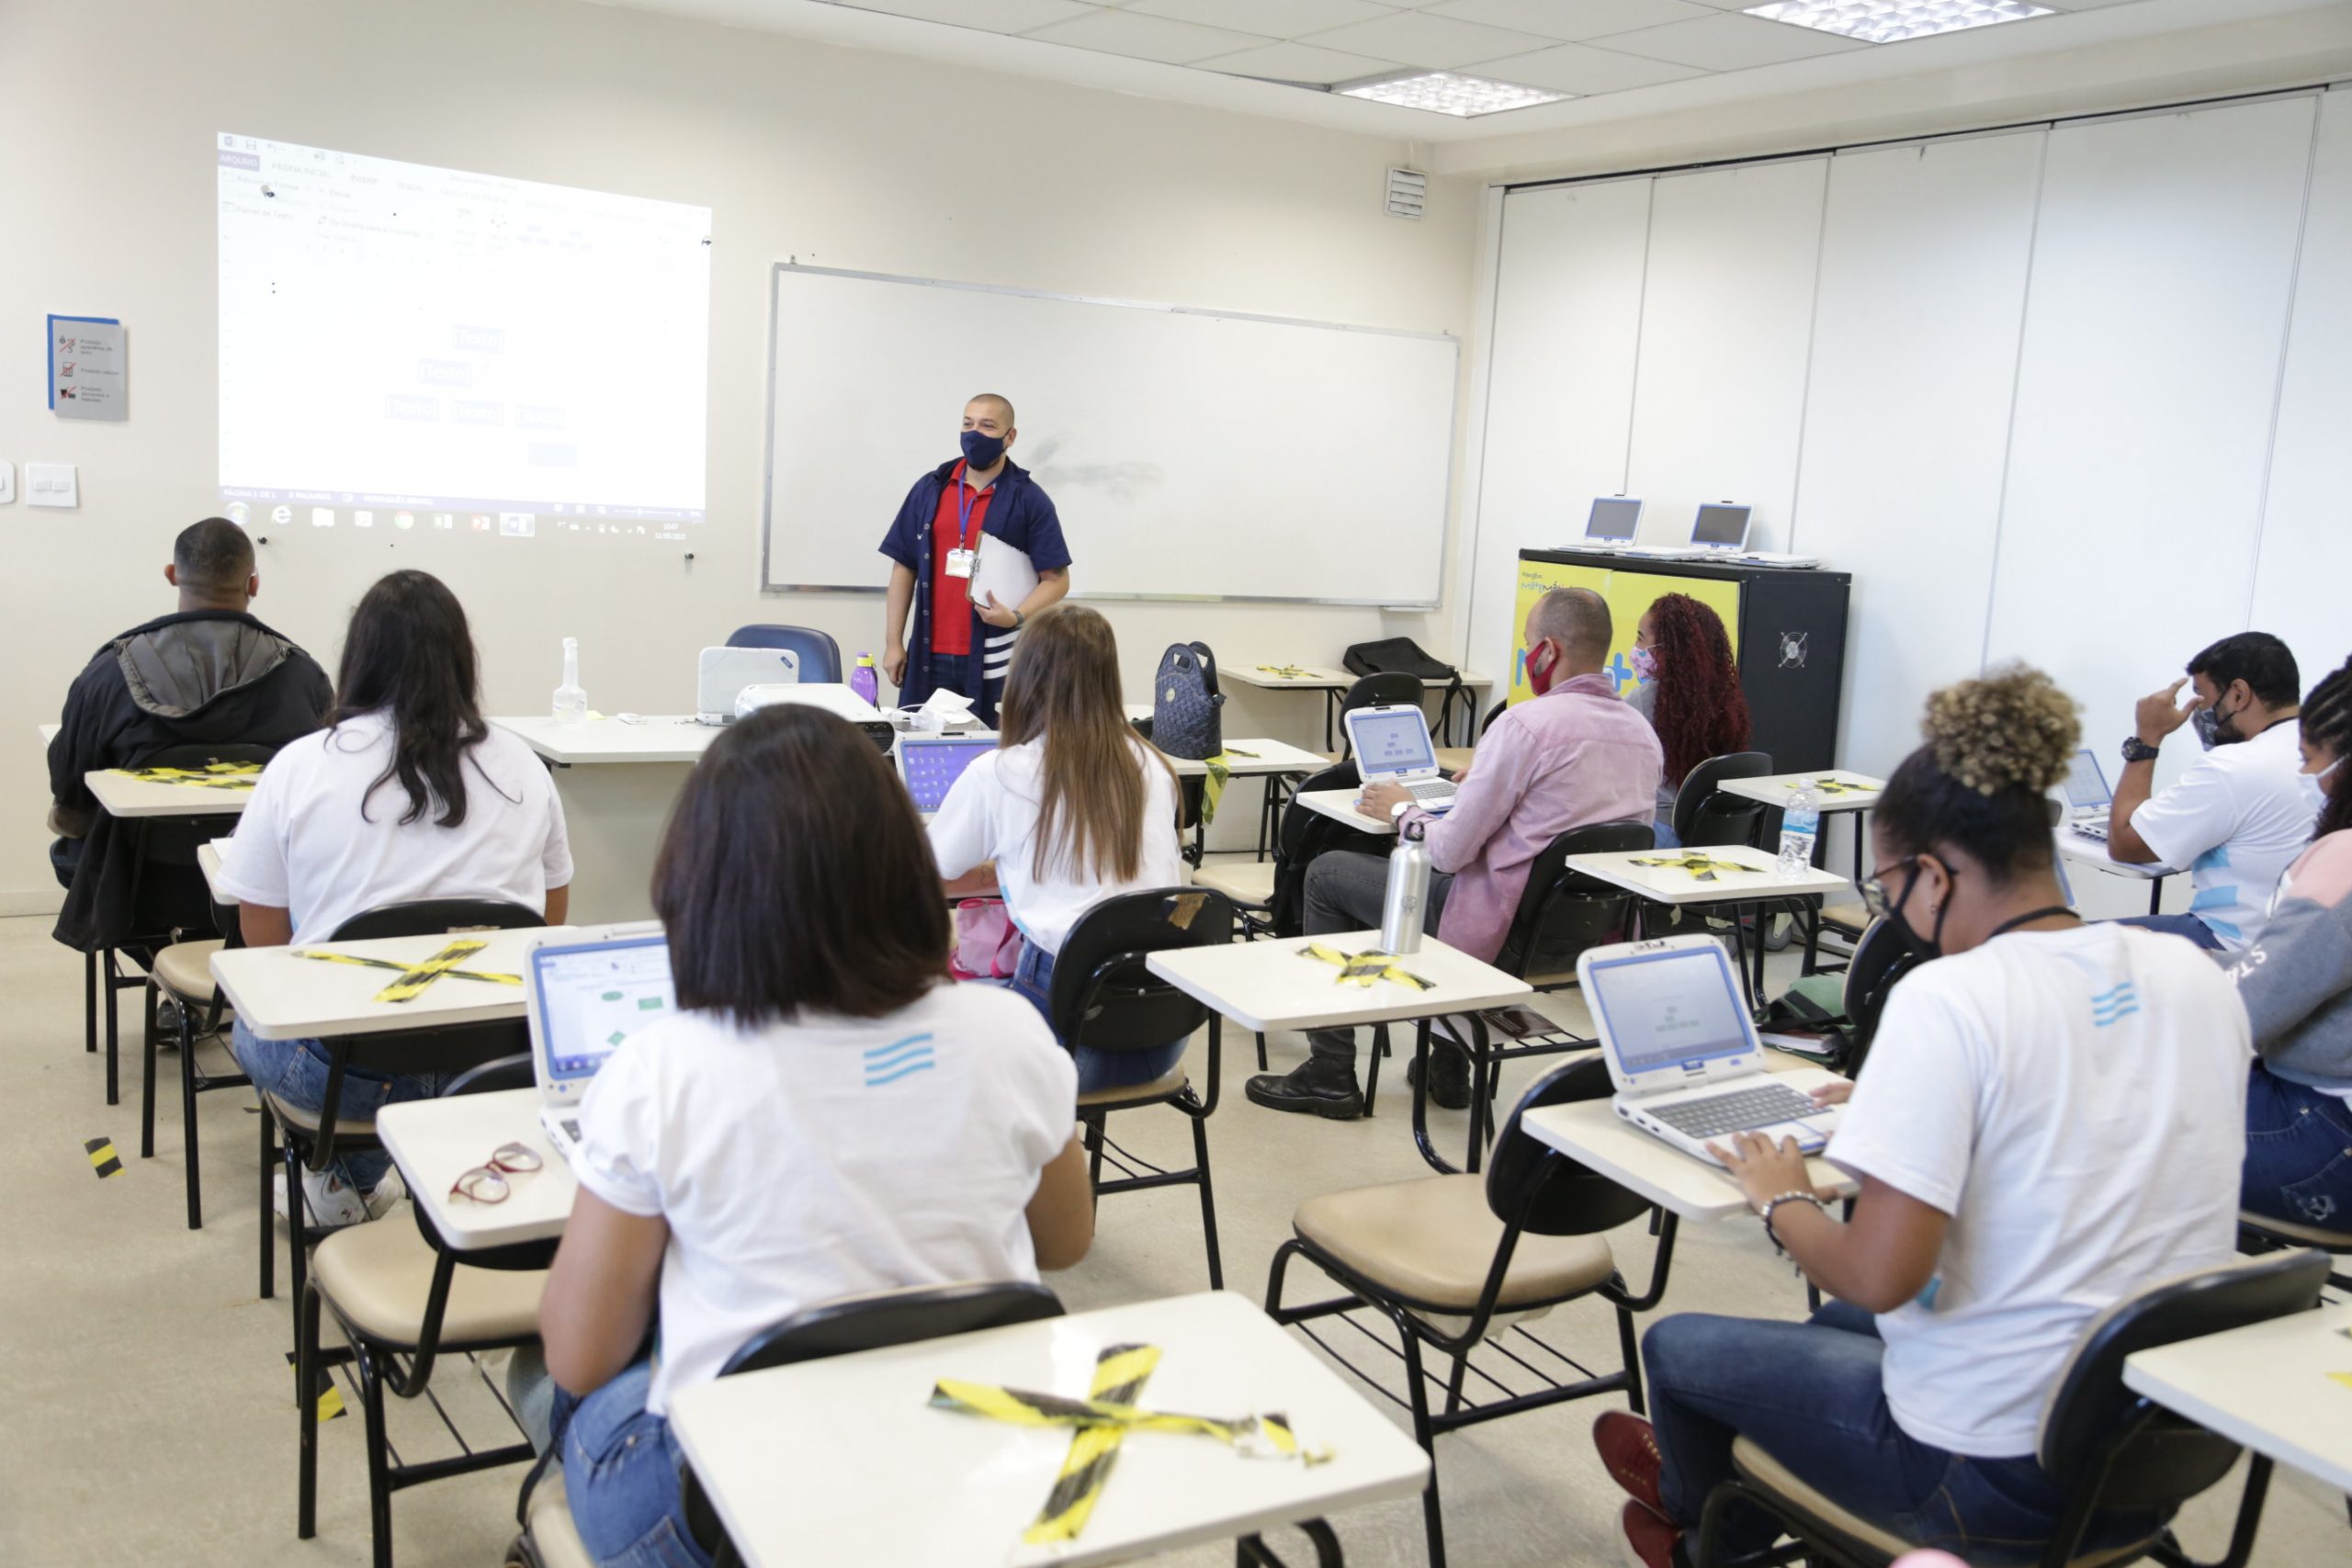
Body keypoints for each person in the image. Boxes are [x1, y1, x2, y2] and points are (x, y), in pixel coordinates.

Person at [1593, 665, 2248, 1568]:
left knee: (1676, 1349)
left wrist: (1780, 1200)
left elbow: (1879, 1277)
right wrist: (1915, 1103)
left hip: (1984, 1479)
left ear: (1934, 878)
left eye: (1887, 886)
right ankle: (1730, 1511)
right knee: (1829, 1337)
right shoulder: (2186, 973)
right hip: (2147, 1453)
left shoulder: (1951, 999)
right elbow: (2093, 1098)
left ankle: (1701, 1530)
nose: (1887, 912)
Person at [526, 704, 1093, 1568]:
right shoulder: (1010, 1032)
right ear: (904, 868)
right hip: (966, 1473)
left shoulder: (665, 1067)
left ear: (703, 884)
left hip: (743, 1518)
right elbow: (1066, 1240)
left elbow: (580, 1353)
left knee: (553, 1386)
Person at [217, 570, 572, 1225]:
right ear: (463, 658)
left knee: (248, 1021)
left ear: (358, 659)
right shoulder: (524, 763)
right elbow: (550, 914)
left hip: (345, 1075)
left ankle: (342, 1175)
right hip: (498, 1060)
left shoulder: (301, 763)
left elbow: (262, 937)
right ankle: (391, 1170)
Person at [1245, 587, 1662, 1119]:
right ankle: (1447, 1067)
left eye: (1530, 643)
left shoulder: (1525, 725)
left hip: (1503, 927)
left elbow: (1447, 853)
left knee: (1327, 874)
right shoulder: (1640, 733)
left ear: (1548, 652)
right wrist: (1479, 787)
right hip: (1581, 931)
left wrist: (1399, 810)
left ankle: (1330, 1073)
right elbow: (1568, 825)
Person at [926, 604, 1188, 1095]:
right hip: (1162, 1034)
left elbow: (923, 872)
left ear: (1024, 677)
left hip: (1070, 1043)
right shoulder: (1151, 766)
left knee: (927, 1005)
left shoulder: (999, 771)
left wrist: (989, 873)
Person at [48, 517, 332, 953]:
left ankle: (166, 966)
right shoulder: (302, 675)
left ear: (172, 574)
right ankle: (218, 971)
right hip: (262, 884)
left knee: (69, 851)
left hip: (142, 884)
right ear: (253, 584)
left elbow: (71, 787)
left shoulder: (110, 672)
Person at [2230, 653, 2352, 1232]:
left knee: (2115, 1111)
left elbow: (2244, 1014)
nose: (2308, 778)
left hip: (2326, 1143)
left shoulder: (2345, 862)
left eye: (2308, 760)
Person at [2105, 631, 2310, 952]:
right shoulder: (2327, 751)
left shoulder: (2235, 766)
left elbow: (2125, 842)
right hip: (2302, 955)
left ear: (2239, 695)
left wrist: (2147, 737)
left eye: (2201, 698)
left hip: (2228, 945)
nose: (2196, 713)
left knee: (2054, 945)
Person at [877, 394, 1071, 728]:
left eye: (987, 425)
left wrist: (1017, 616)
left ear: (1010, 437)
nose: (974, 433)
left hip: (996, 659)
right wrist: (893, 643)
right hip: (928, 655)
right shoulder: (931, 488)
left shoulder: (1028, 499)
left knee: (994, 753)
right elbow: (903, 566)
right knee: (920, 752)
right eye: (968, 424)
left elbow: (1057, 580)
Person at [1623, 593, 1751, 849]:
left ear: (1665, 650)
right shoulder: (1727, 700)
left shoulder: (1643, 701)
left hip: (1658, 833)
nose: (1635, 648)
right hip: (1711, 835)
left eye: (1640, 638)